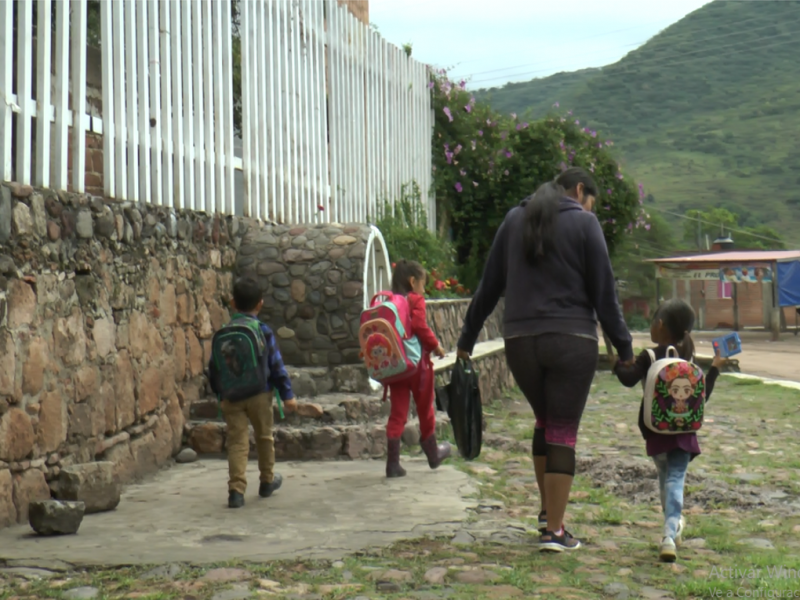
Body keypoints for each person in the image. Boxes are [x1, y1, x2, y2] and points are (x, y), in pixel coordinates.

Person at [456, 168, 634, 552]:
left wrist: (466, 339)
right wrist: (625, 349)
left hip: (521, 342)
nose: (591, 209)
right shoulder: (585, 225)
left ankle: (546, 511)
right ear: (580, 191)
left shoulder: (514, 219)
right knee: (563, 430)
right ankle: (555, 531)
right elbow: (605, 297)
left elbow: (489, 287)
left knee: (544, 421)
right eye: (591, 202)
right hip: (571, 341)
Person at [613, 298, 726, 562]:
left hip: (655, 431)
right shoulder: (689, 357)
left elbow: (628, 380)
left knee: (665, 478)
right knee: (675, 478)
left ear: (659, 324)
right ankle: (669, 533)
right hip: (684, 433)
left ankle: (670, 528)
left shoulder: (650, 356)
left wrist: (617, 364)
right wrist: (715, 370)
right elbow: (702, 395)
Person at [208, 277, 297, 509]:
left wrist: (221, 393)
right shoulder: (263, 331)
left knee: (237, 443)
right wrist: (287, 394)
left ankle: (236, 491)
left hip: (232, 396)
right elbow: (276, 364)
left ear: (232, 303)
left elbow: (213, 369)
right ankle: (267, 481)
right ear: (260, 304)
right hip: (260, 393)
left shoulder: (224, 332)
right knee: (264, 436)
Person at [385, 260, 450, 478]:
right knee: (425, 409)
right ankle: (433, 454)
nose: (423, 290)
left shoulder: (390, 301)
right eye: (422, 284)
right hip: (417, 366)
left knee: (398, 413)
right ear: (413, 282)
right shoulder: (415, 300)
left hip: (396, 367)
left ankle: (392, 463)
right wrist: (436, 346)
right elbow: (420, 325)